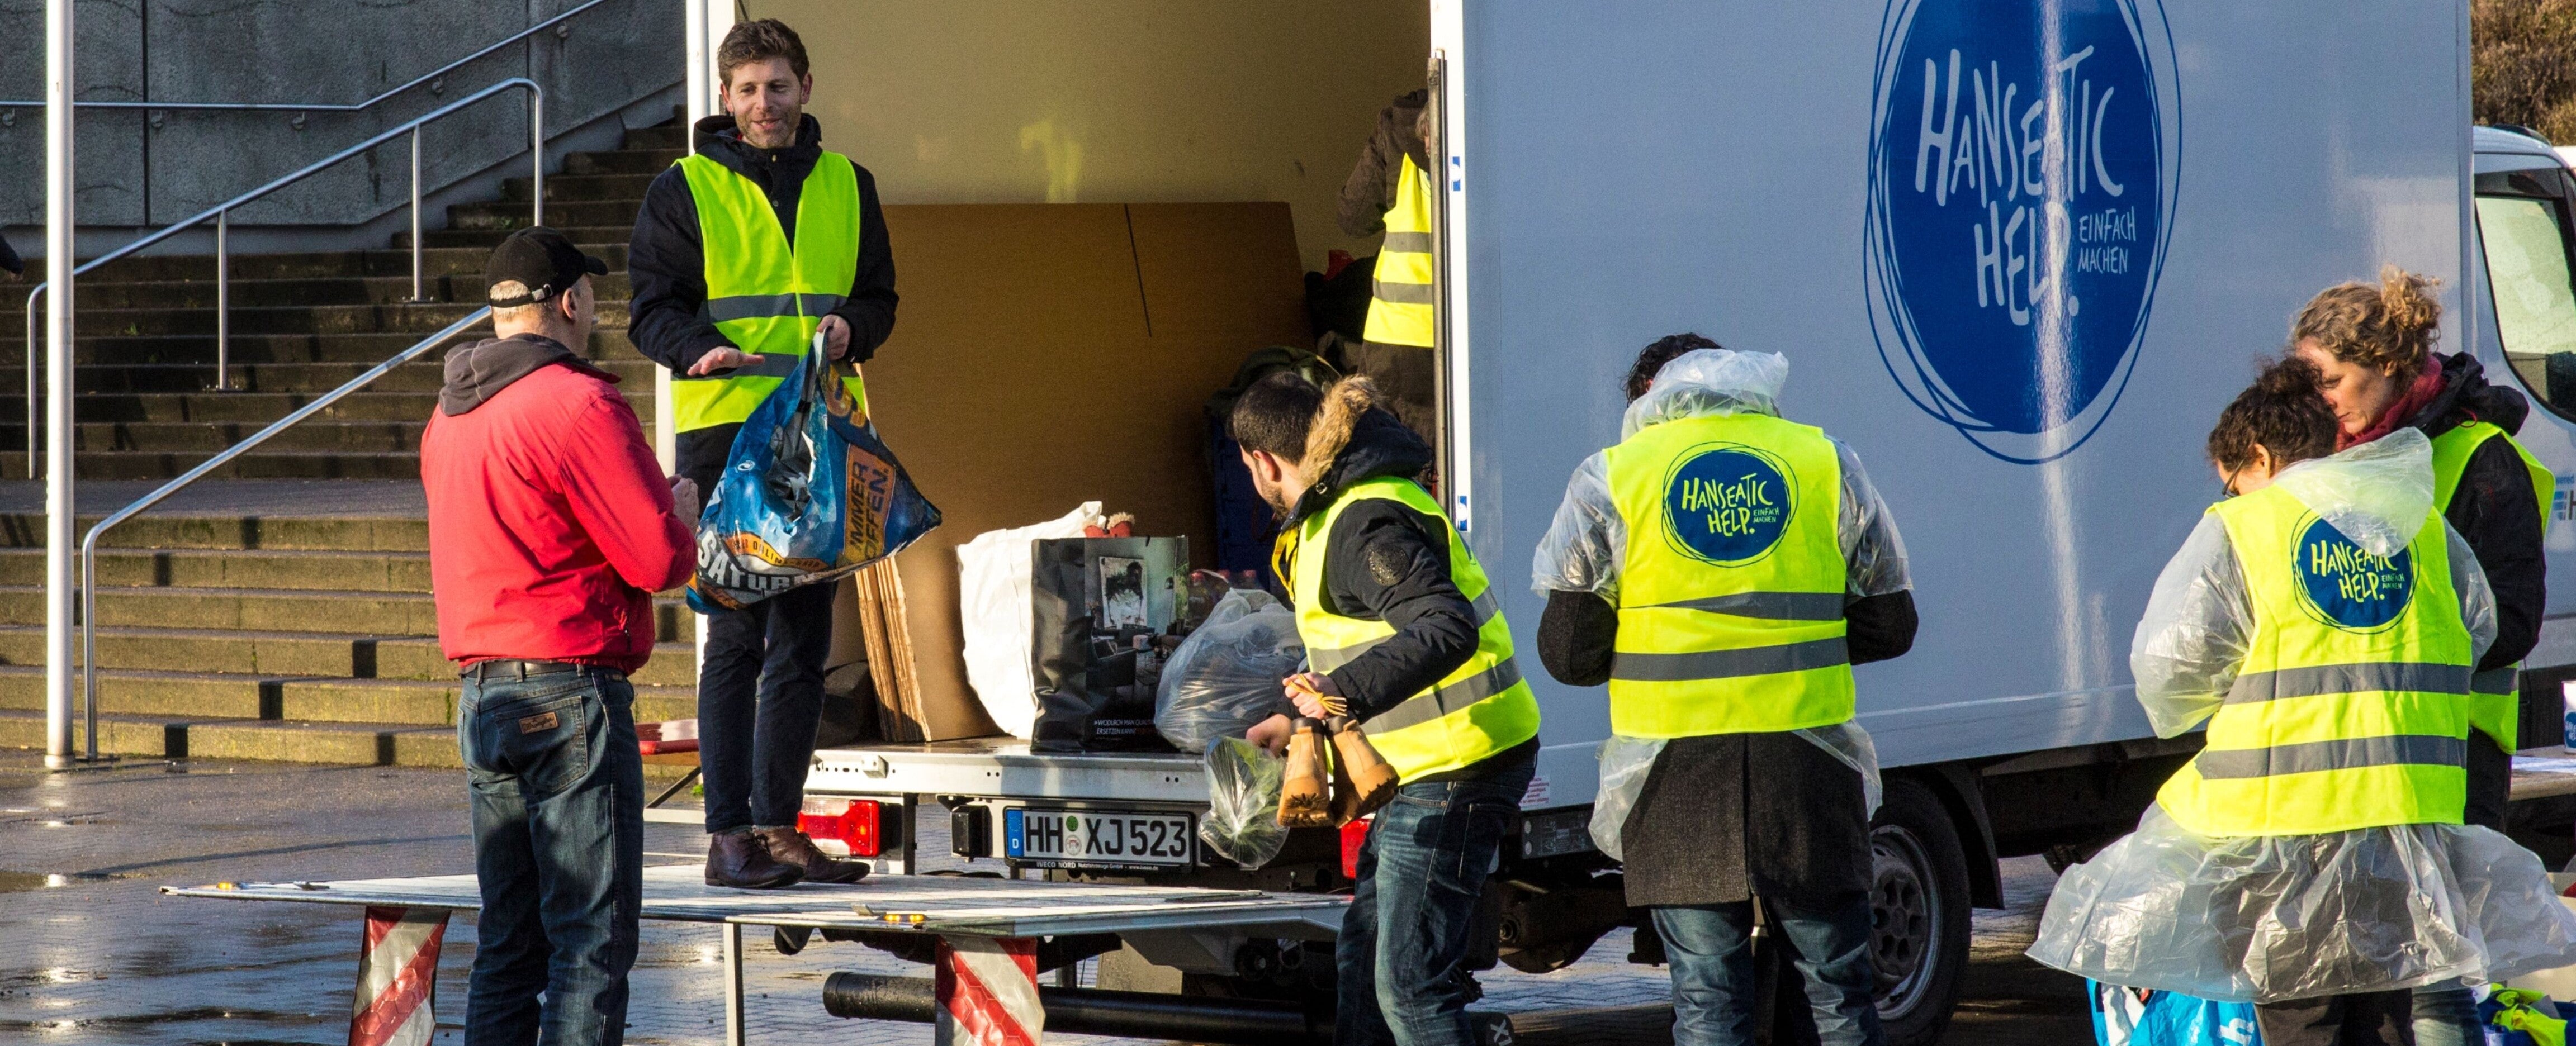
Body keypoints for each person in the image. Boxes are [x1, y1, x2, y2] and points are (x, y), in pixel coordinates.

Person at [2027, 358, 2576, 1045]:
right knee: (2387, 1023)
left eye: (2234, 480)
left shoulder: (2247, 529)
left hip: (2284, 840)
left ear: (2259, 456)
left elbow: (2170, 679)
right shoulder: (2426, 532)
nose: (2232, 494)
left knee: (2305, 1025)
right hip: (2405, 828)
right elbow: (2477, 631)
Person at [1530, 335, 1917, 1046]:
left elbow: (1570, 655)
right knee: (1839, 995)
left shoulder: (1612, 479)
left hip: (1673, 779)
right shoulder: (1823, 461)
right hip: (1808, 768)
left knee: (1711, 1004)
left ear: (1650, 392)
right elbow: (1892, 624)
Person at [627, 17, 895, 888]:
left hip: (819, 434)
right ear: (724, 97)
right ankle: (728, 834)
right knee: (737, 639)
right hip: (728, 438)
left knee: (804, 644)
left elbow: (881, 300)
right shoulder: (684, 188)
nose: (763, 104)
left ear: (806, 89)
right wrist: (695, 346)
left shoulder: (851, 185)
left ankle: (779, 828)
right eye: (746, 89)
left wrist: (858, 326)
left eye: (777, 87)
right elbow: (650, 310)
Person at [421, 227, 698, 1046]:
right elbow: (655, 561)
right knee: (590, 940)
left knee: (510, 942)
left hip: (482, 695)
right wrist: (678, 518)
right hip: (568, 690)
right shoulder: (579, 402)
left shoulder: (450, 415)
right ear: (571, 302)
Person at [2286, 268, 2558, 1045]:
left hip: (2448, 761)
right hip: (2349, 764)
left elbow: (2511, 621)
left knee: (2430, 991)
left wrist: (2385, 634)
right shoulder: (2328, 464)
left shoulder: (2479, 459)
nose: (2322, 400)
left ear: (2389, 368)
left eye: (2332, 380)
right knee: (2348, 991)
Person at [1232, 372, 1542, 1045]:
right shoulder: (1335, 511)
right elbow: (1365, 649)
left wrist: (1338, 696)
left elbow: (1443, 626)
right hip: (1429, 768)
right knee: (1367, 963)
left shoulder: (1363, 520)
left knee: (1409, 986)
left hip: (1461, 765)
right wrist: (1302, 721)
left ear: (1261, 462)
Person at [1336, 88, 1440, 443]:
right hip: (1479, 336)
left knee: (1396, 460)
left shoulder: (1398, 130)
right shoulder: (1506, 123)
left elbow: (1354, 218)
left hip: (1397, 341)